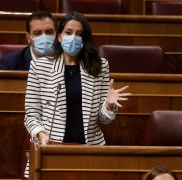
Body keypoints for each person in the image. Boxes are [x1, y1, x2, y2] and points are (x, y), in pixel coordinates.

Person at [23, 11, 131, 177]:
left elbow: (104, 119)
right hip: (51, 147)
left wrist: (109, 105)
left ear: (85, 39)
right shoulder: (40, 67)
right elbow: (31, 114)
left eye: (79, 34)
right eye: (68, 32)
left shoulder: (99, 66)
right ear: (59, 37)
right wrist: (40, 134)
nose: (73, 38)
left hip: (90, 148)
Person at [0, 11, 57, 103]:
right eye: (37, 33)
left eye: (49, 32)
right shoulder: (10, 63)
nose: (44, 37)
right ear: (28, 38)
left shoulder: (68, 61)